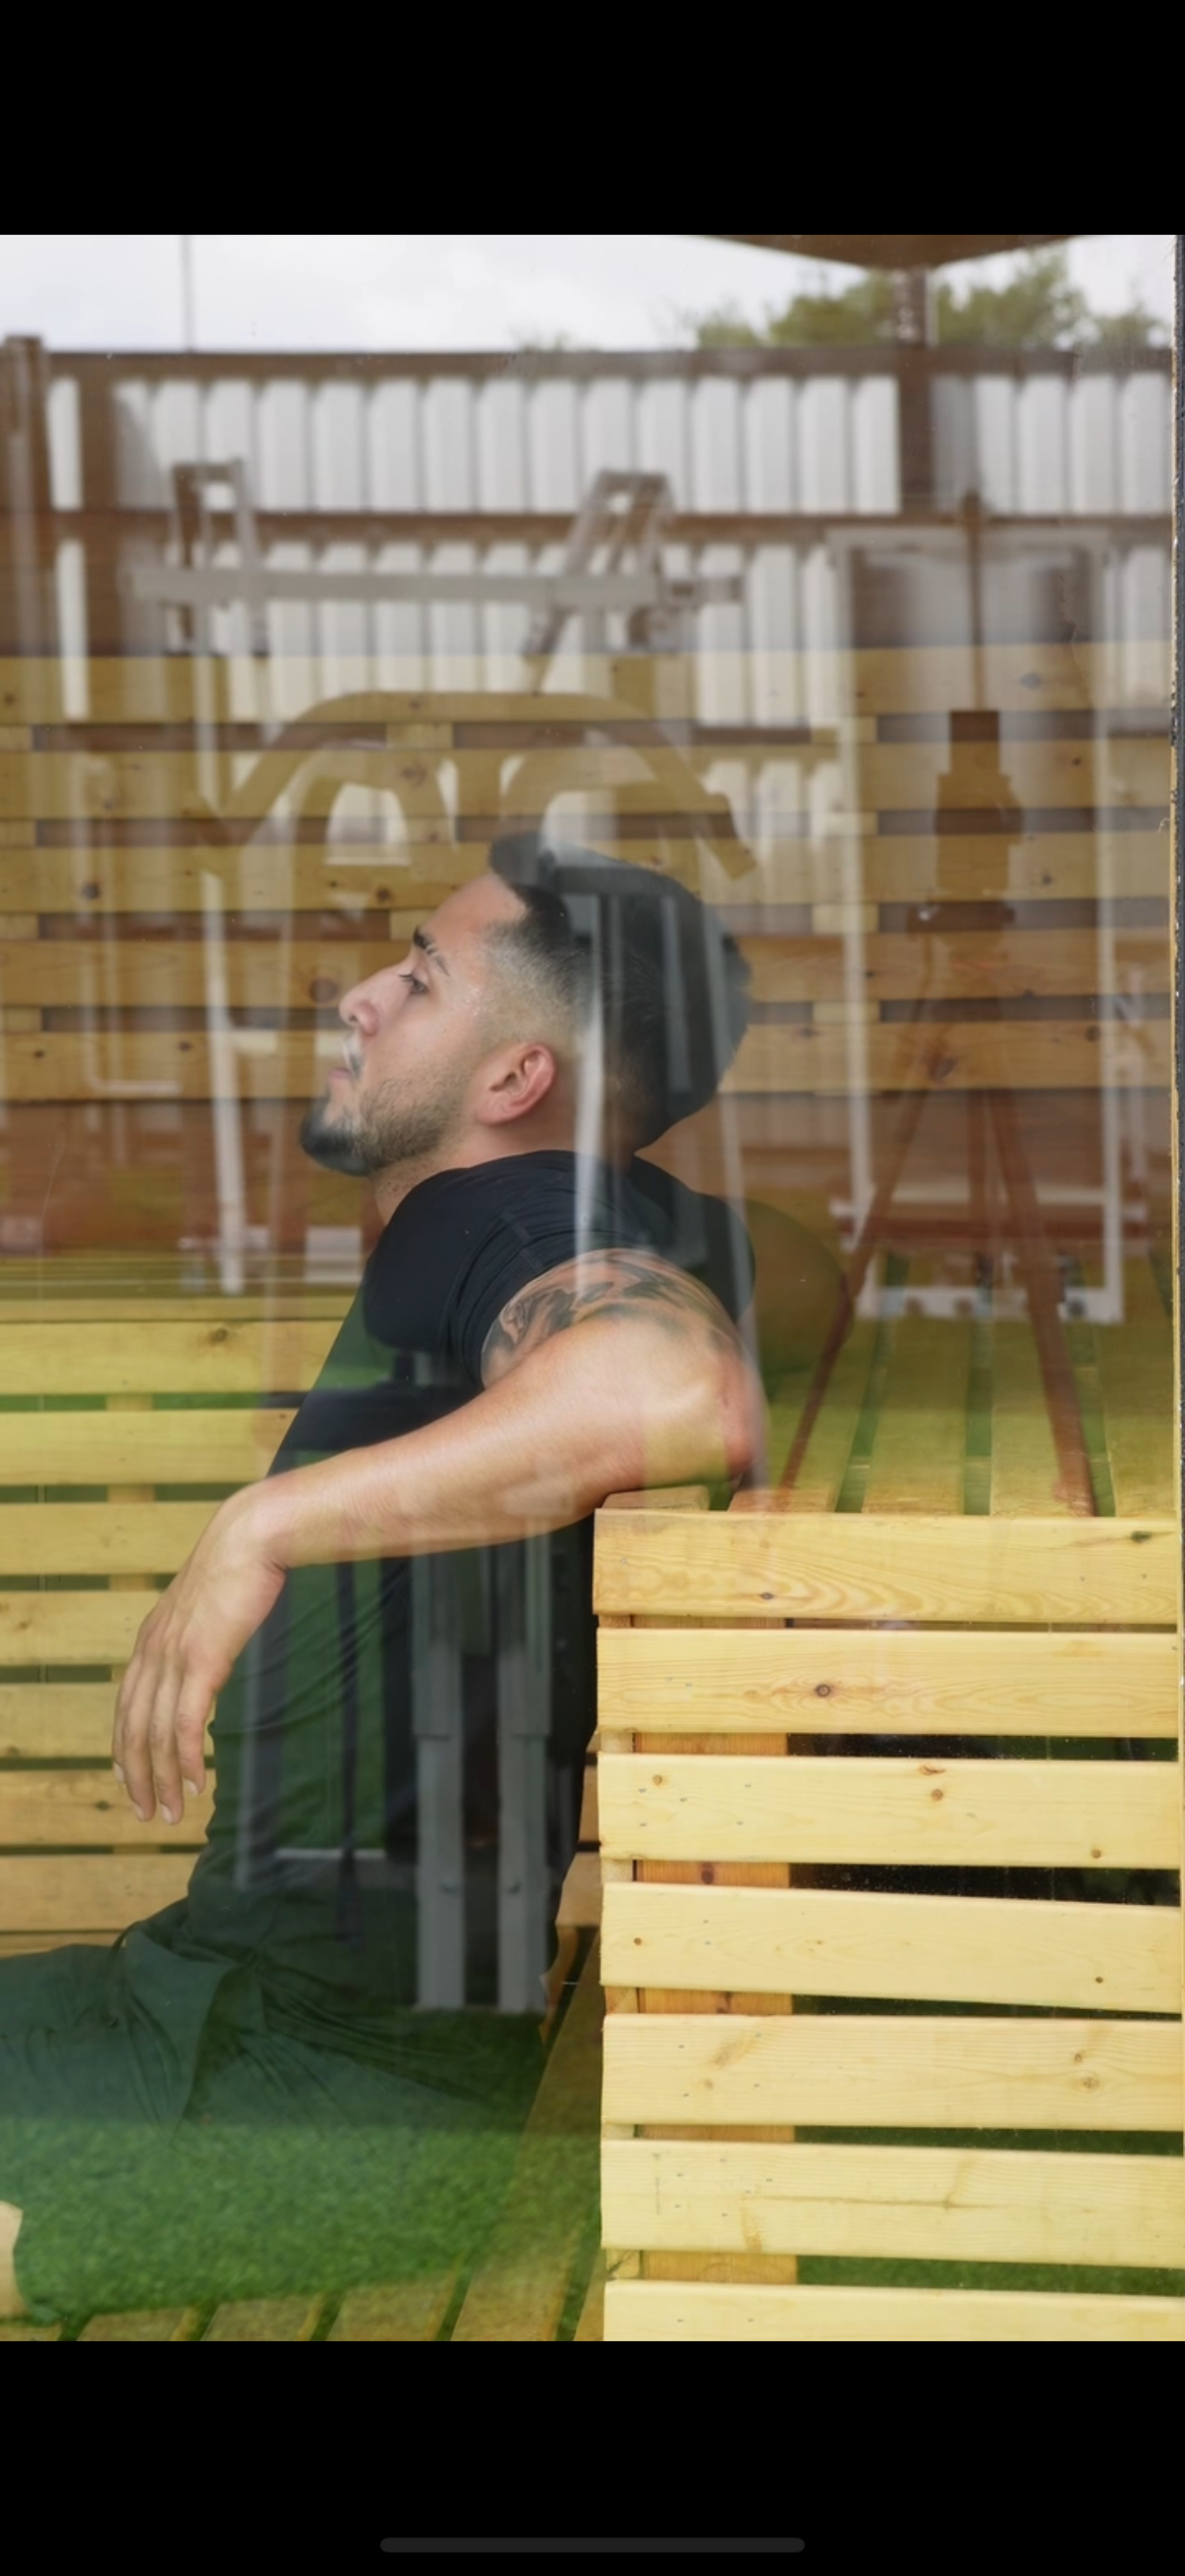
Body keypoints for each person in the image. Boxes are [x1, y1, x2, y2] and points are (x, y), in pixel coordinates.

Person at [0, 833, 773, 2323]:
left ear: (510, 1081)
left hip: (305, 2098)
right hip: (232, 2015)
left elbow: (674, 1390)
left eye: (418, 978)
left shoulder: (476, 1219)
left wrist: (260, 1525)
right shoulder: (623, 1211)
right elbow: (792, 1271)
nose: (358, 995)